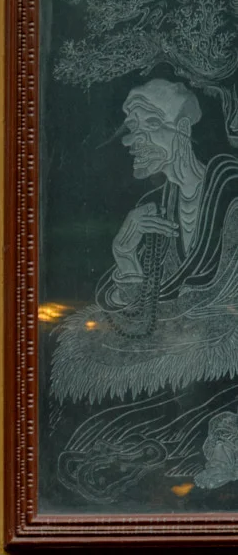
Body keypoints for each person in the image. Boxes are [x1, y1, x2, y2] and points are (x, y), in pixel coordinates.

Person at [50, 78, 238, 406]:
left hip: (216, 328)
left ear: (182, 128)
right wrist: (123, 253)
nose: (131, 142)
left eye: (147, 126)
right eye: (131, 129)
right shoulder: (154, 206)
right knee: (81, 340)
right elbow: (142, 305)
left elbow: (218, 301)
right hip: (175, 328)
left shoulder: (229, 191)